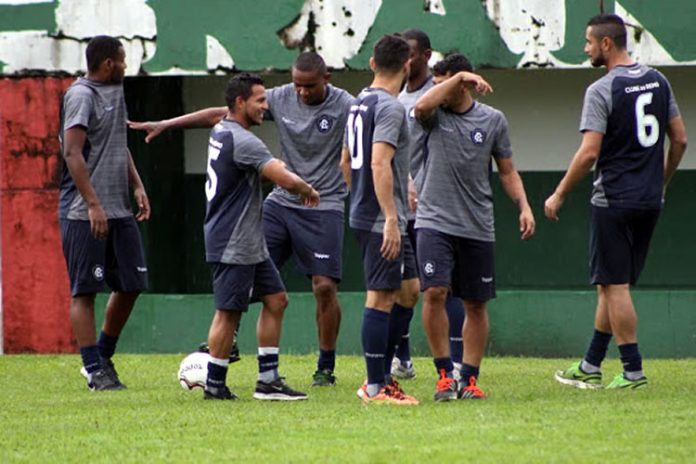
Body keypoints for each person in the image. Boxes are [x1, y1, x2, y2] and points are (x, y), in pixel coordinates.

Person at [129, 52, 353, 387]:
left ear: (327, 80)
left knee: (323, 287)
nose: (302, 93)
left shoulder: (346, 104)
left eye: (309, 87)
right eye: (297, 86)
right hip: (281, 200)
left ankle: (325, 365)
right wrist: (167, 124)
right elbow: (222, 115)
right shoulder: (275, 102)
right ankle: (227, 344)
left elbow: (368, 140)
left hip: (325, 204)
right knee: (249, 277)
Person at [545, 14, 687, 390]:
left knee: (615, 284)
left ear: (606, 44)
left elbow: (589, 153)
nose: (586, 48)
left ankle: (632, 370)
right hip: (648, 199)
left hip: (613, 199)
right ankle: (592, 364)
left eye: (589, 42)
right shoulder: (659, 80)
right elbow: (681, 140)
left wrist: (559, 192)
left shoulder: (601, 90)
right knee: (609, 284)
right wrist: (662, 181)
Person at [414, 53, 534, 400]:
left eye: (445, 83)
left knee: (476, 304)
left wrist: (524, 206)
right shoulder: (432, 115)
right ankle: (443, 375)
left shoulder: (493, 120)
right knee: (434, 292)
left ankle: (468, 379)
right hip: (434, 221)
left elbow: (508, 170)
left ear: (464, 86)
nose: (439, 89)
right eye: (438, 83)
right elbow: (421, 105)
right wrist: (458, 77)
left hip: (477, 225)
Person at [202, 73, 320, 400]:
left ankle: (268, 381)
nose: (265, 107)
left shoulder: (222, 130)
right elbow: (281, 177)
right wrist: (306, 189)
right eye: (259, 101)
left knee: (276, 300)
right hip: (233, 241)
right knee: (229, 312)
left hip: (250, 242)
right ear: (240, 103)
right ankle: (214, 385)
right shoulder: (244, 141)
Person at [60, 35, 150, 391]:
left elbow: (118, 143)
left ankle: (104, 355)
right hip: (85, 212)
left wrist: (138, 185)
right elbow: (72, 153)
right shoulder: (81, 95)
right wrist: (94, 205)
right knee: (85, 291)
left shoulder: (116, 92)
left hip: (119, 209)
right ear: (109, 63)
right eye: (123, 60)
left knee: (131, 284)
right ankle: (93, 368)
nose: (127, 66)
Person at [341, 34, 422, 405]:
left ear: (373, 63)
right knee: (381, 297)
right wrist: (389, 216)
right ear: (407, 66)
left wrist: (366, 195)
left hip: (372, 211)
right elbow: (377, 161)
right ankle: (376, 386)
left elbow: (346, 162)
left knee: (409, 290)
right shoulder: (390, 107)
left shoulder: (358, 102)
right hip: (381, 219)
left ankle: (383, 374)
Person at [392, 28, 467, 381]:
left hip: (432, 205)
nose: (404, 60)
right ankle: (402, 357)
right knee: (402, 286)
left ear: (425, 56)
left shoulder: (437, 94)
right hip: (396, 205)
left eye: (410, 53)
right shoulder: (391, 93)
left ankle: (453, 359)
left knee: (439, 284)